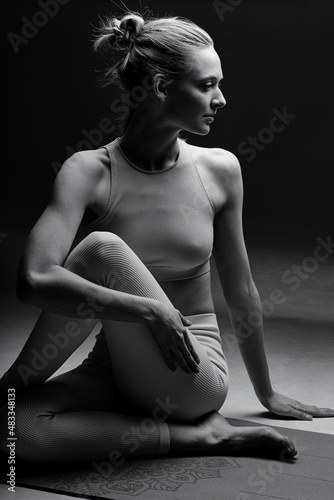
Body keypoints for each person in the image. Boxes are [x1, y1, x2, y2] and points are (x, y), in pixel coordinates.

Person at [0, 11, 333, 463]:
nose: (222, 99)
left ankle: (11, 389)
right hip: (116, 367)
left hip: (189, 373)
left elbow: (241, 290)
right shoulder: (88, 170)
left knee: (102, 249)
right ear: (160, 87)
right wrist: (151, 311)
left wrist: (267, 392)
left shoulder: (220, 170)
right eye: (207, 85)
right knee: (9, 433)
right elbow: (33, 280)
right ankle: (197, 438)